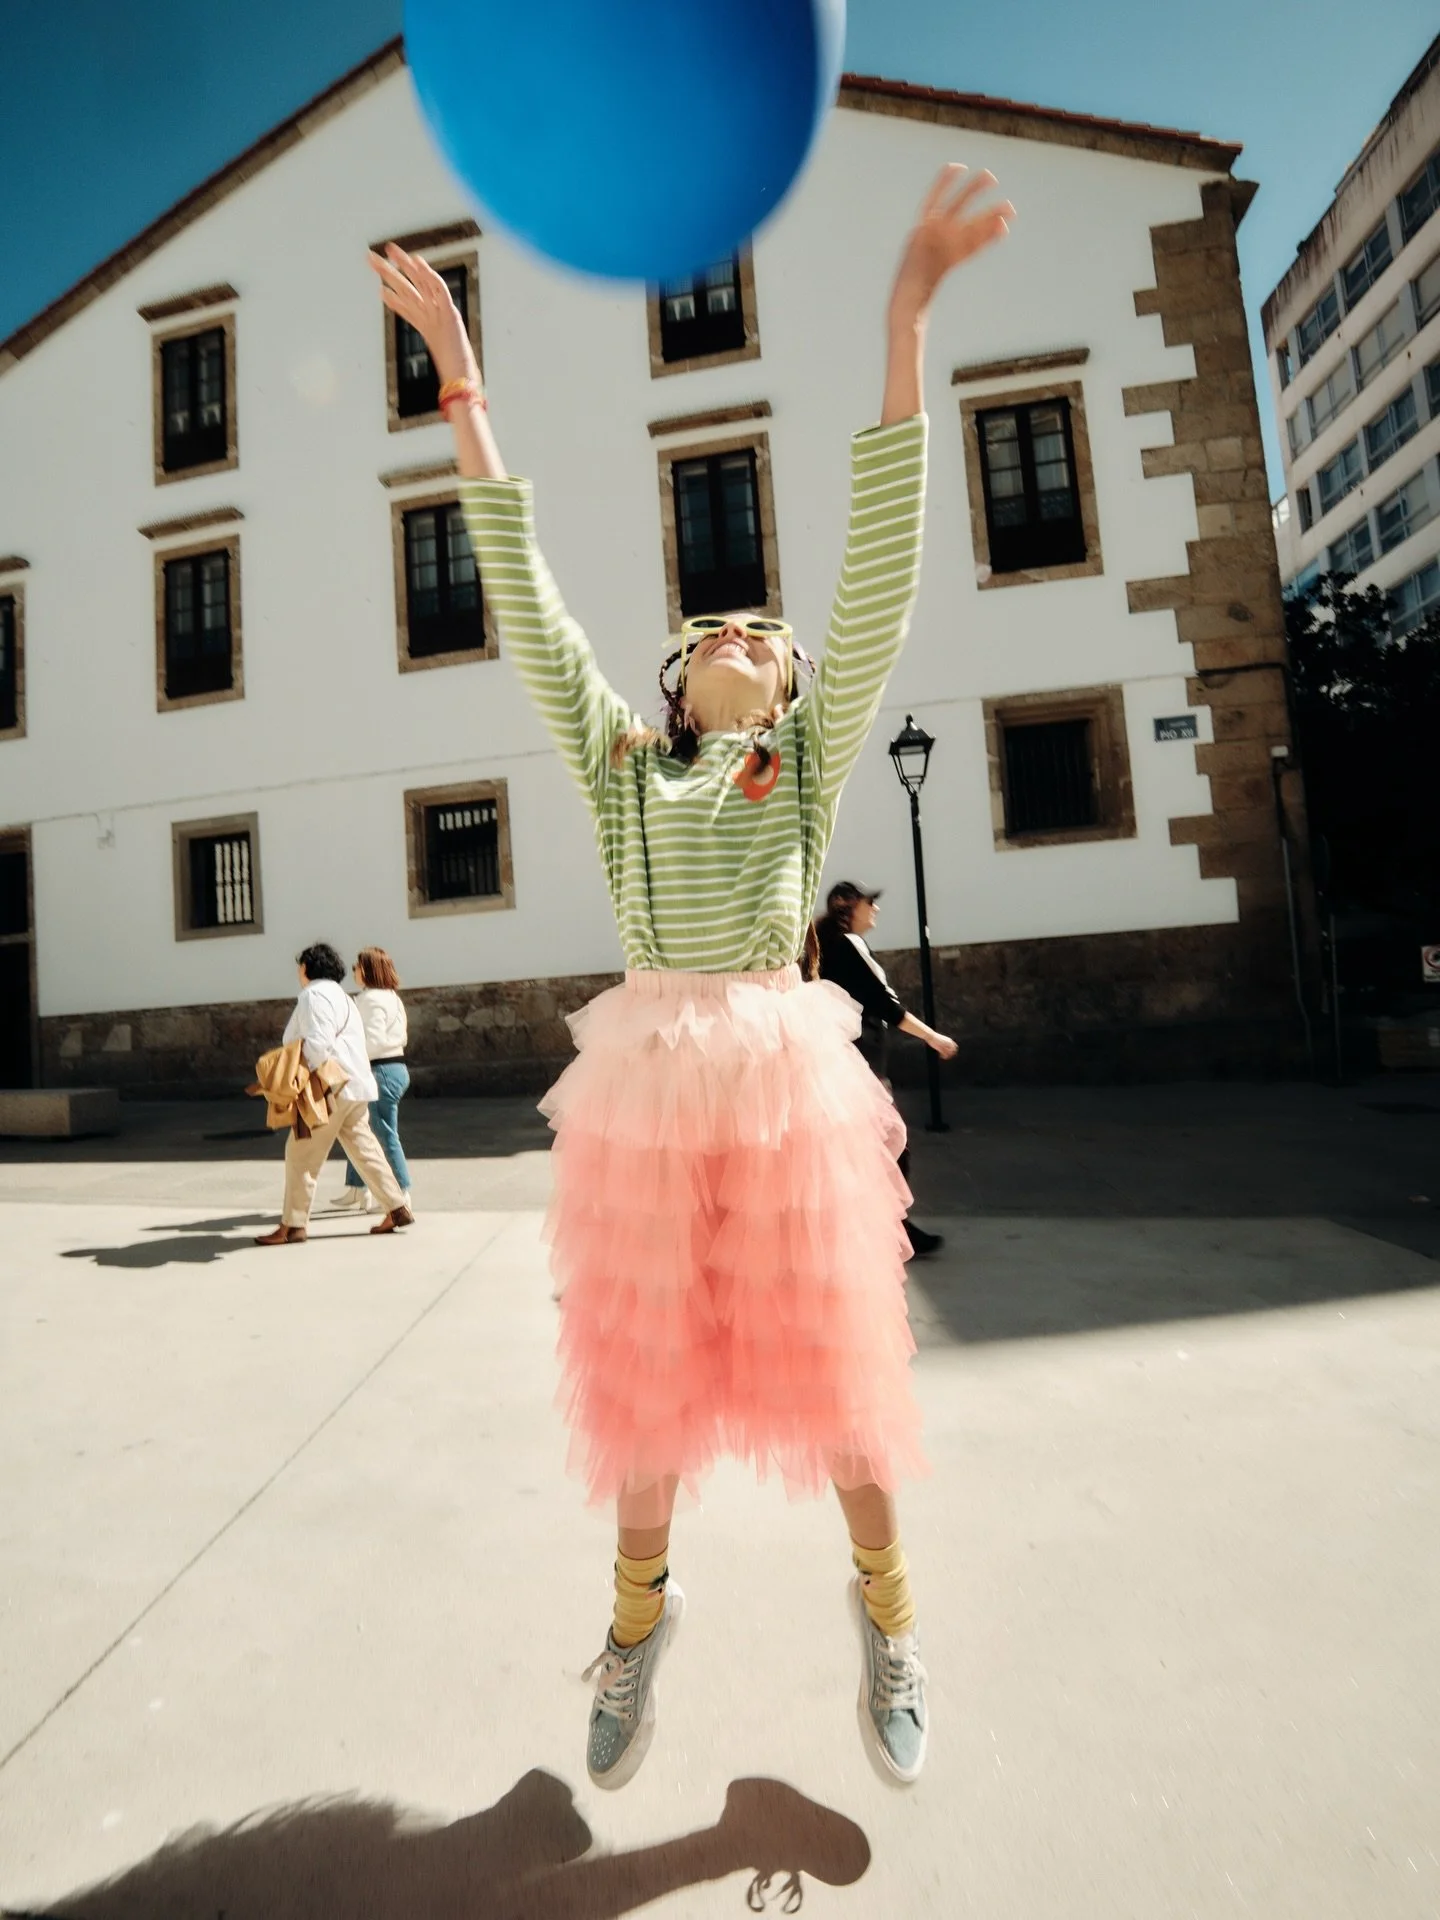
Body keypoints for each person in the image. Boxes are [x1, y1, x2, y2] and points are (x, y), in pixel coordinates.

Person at [367, 162, 1012, 1790]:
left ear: (790, 686)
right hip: (648, 1081)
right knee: (642, 1383)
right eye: (715, 622)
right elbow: (526, 603)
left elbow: (876, 576)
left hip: (783, 1081)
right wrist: (463, 382)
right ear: (679, 680)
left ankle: (888, 1622)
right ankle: (638, 1625)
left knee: (844, 1372)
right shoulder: (624, 769)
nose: (739, 623)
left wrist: (906, 319)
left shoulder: (799, 761)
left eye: (762, 628)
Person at [813, 881, 958, 1258]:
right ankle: (892, 1231)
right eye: (869, 902)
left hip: (850, 1063)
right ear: (846, 905)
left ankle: (886, 1228)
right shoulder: (845, 945)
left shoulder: (833, 945)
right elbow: (886, 1006)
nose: (875, 909)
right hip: (856, 1066)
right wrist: (934, 1038)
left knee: (875, 1148)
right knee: (891, 1145)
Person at [254, 943, 414, 1245]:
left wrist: (299, 1078)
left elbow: (318, 1042)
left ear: (306, 968)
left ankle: (293, 1225)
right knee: (364, 1148)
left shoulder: (314, 995)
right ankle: (396, 1206)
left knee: (300, 1154)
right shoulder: (344, 997)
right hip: (356, 1084)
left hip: (328, 1088)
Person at [335, 946, 413, 1214]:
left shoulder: (368, 1000)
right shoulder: (392, 997)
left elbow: (372, 1041)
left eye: (357, 967)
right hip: (396, 1067)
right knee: (358, 1128)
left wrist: (349, 1057)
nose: (354, 972)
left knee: (383, 1133)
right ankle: (358, 1189)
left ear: (367, 970)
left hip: (378, 1070)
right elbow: (400, 1037)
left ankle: (400, 1192)